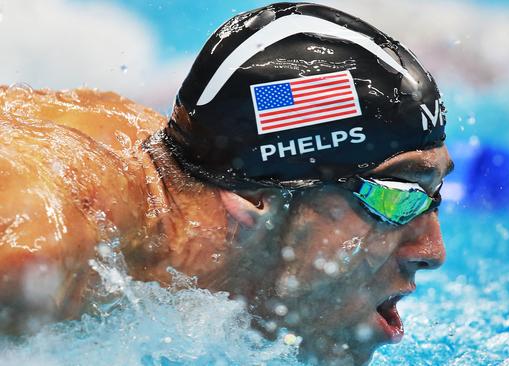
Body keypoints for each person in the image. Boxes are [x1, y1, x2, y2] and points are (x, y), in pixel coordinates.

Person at [0, 2, 453, 365]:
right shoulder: (37, 254)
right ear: (256, 195)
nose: (433, 251)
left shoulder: (169, 171)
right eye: (398, 197)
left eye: (433, 198)